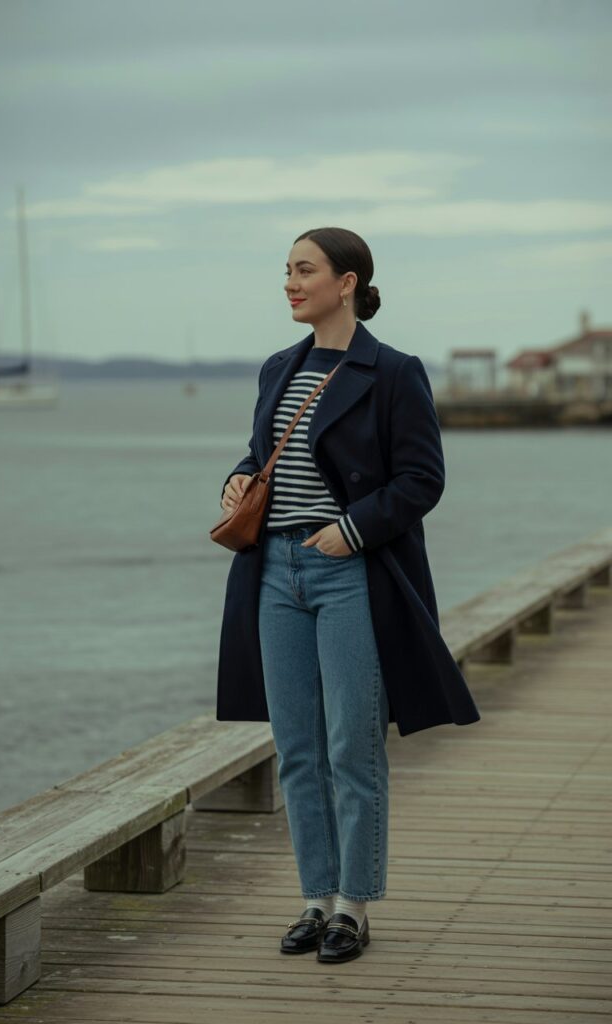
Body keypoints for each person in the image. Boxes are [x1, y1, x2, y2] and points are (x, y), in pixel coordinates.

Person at [217, 226, 480, 965]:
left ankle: (353, 908)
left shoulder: (393, 372)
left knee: (351, 747)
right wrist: (238, 477)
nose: (290, 283)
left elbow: (422, 479)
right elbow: (265, 452)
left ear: (347, 282)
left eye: (304, 270)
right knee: (297, 748)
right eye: (286, 270)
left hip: (349, 572)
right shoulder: (279, 367)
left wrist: (352, 530)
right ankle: (315, 897)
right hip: (274, 571)